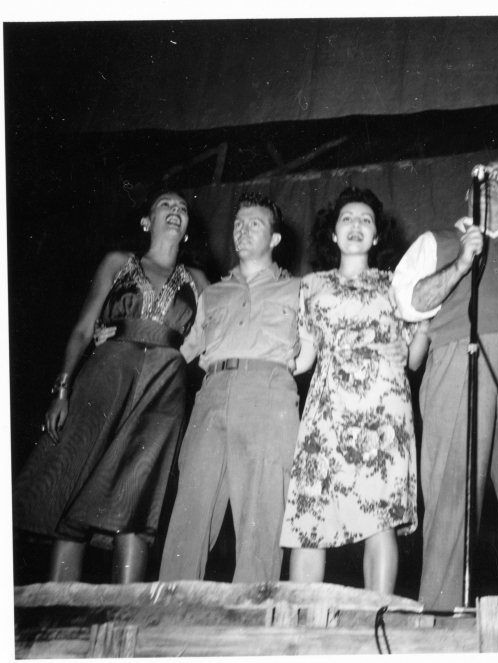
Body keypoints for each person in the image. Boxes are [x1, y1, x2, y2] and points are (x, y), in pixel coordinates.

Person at [13, 190, 208, 583]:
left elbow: (211, 337)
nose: (175, 211)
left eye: (183, 209)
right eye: (166, 206)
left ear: (187, 230)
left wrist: (170, 357)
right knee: (77, 484)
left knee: (138, 495)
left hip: (163, 392)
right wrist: (62, 391)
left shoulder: (200, 280)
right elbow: (84, 329)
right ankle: (59, 608)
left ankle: (126, 615)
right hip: (108, 377)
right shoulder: (118, 263)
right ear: (146, 222)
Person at [392, 160, 498, 611]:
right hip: (454, 360)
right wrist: (462, 262)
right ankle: (442, 615)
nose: (492, 183)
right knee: (450, 496)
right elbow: (410, 302)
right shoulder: (436, 241)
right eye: (486, 177)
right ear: (468, 194)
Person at [280, 187, 428, 595]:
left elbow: (414, 358)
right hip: (329, 409)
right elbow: (304, 357)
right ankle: (300, 628)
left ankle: (376, 619)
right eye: (347, 218)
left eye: (366, 220)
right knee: (310, 517)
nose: (356, 226)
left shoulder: (396, 285)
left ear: (378, 236)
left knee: (379, 520)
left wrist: (414, 341)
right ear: (333, 233)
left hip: (384, 411)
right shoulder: (309, 286)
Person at [158, 191, 301, 583]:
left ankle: (254, 613)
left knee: (261, 511)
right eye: (238, 224)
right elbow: (182, 351)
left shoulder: (300, 290)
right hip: (213, 391)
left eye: (255, 224)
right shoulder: (214, 293)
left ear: (274, 239)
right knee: (191, 504)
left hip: (269, 392)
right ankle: (172, 605)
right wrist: (123, 340)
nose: (242, 231)